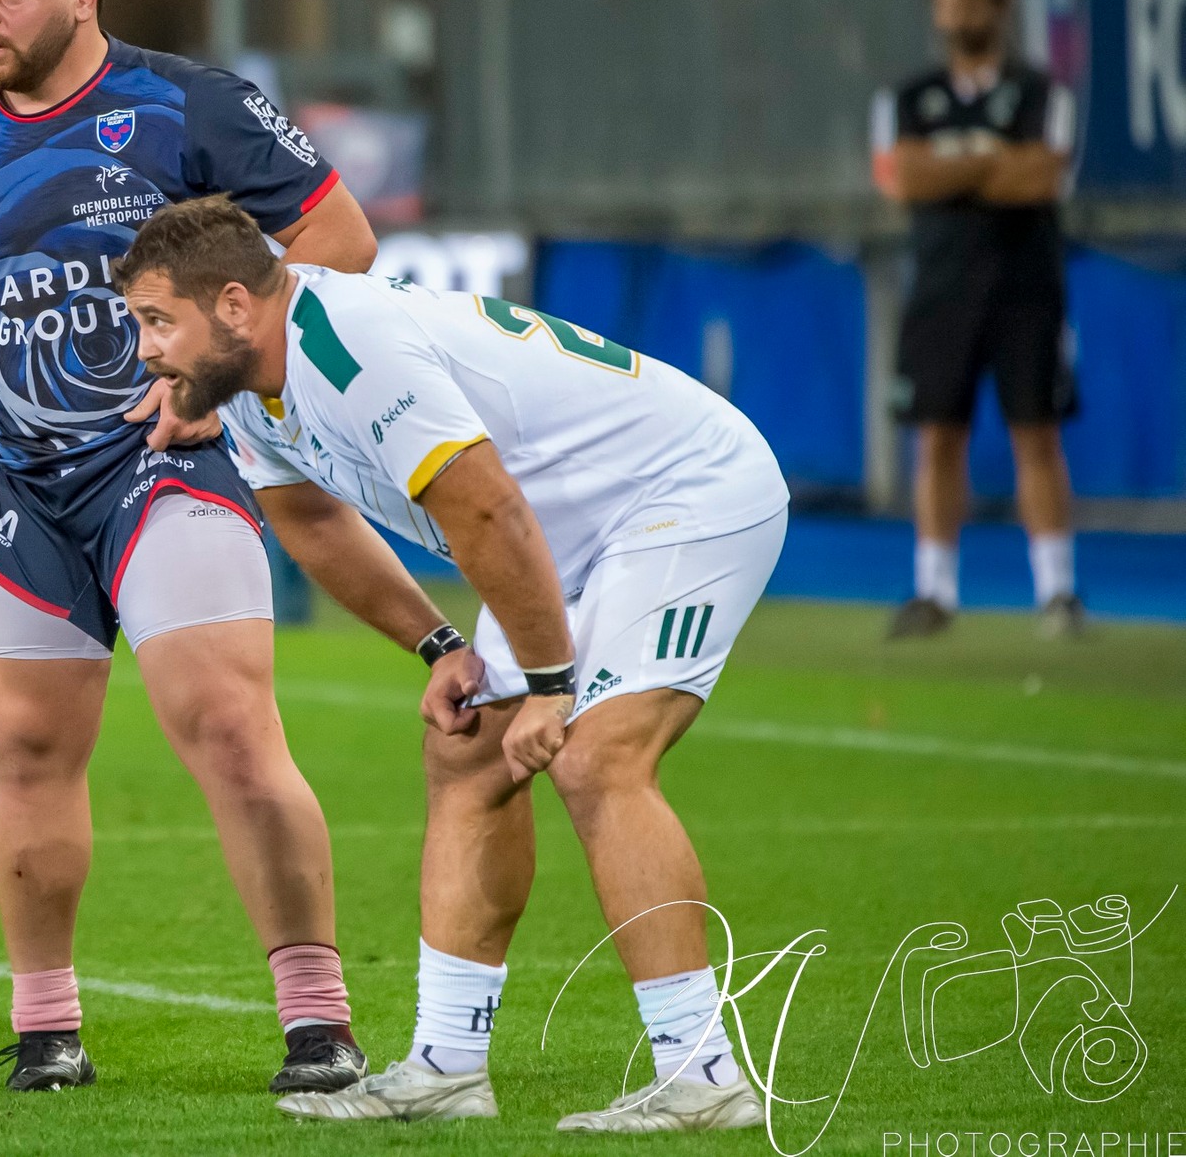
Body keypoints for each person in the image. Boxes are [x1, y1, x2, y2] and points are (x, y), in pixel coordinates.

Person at [112, 196, 790, 1131]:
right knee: (469, 751)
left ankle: (703, 1073)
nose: (146, 349)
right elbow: (312, 524)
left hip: (683, 493)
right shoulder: (253, 383)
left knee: (597, 758)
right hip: (563, 535)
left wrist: (550, 686)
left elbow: (486, 508)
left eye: (157, 320)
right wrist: (441, 645)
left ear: (233, 304)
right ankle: (446, 1067)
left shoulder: (348, 348)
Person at [0, 0, 379, 1095]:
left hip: (165, 459)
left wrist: (218, 372)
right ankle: (47, 1032)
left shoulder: (186, 105)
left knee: (227, 728)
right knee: (26, 747)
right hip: (19, 485)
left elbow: (342, 238)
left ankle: (317, 1022)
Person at [872, 0, 1082, 639]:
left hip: (1026, 290)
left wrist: (949, 166)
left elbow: (1042, 178)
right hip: (940, 289)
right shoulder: (909, 98)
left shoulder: (1040, 93)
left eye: (970, 2)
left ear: (998, 8)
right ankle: (934, 590)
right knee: (937, 435)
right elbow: (903, 179)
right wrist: (992, 160)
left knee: (1036, 432)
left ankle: (1057, 590)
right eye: (948, 3)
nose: (958, 15)